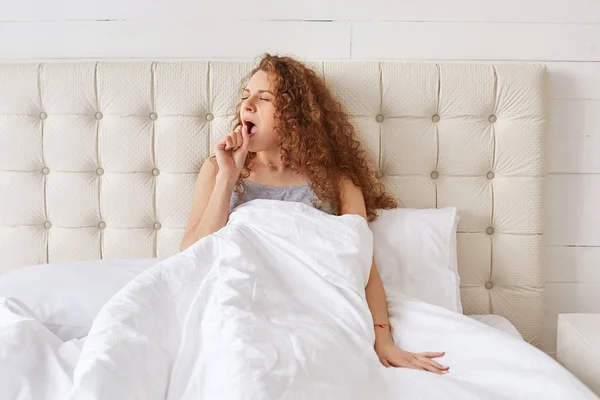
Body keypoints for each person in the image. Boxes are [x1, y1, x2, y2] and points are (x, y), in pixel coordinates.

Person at [180, 54, 449, 375]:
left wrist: (383, 339)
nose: (247, 105)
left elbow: (364, 269)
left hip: (312, 308)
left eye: (263, 98)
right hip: (241, 302)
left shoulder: (338, 184)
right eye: (245, 97)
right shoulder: (217, 169)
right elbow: (191, 255)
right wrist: (228, 176)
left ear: (295, 115)